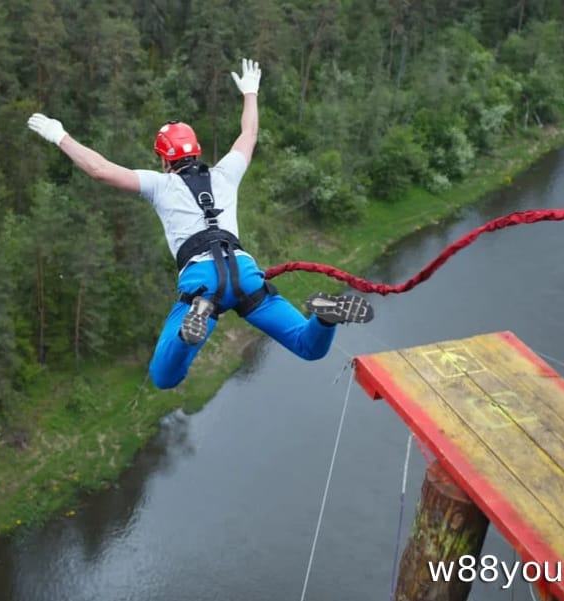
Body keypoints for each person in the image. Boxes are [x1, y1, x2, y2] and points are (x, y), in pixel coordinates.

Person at [28, 58, 373, 389]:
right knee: (308, 347)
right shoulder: (225, 174)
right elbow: (249, 134)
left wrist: (60, 136)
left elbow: (100, 170)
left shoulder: (160, 184)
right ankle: (325, 317)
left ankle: (187, 331)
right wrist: (250, 93)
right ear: (196, 150)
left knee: (164, 377)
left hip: (202, 282)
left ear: (165, 160)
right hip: (244, 272)